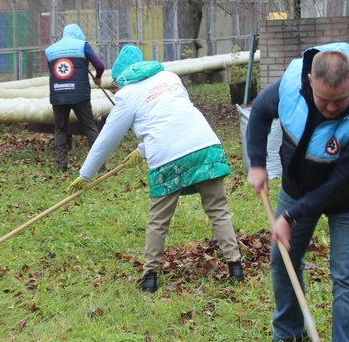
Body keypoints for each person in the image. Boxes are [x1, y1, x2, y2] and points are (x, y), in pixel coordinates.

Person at [246, 42, 349, 342]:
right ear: (310, 80)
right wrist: (257, 164)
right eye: (322, 99)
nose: (329, 108)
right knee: (283, 260)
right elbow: (260, 115)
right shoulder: (291, 84)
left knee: (346, 277)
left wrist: (291, 216)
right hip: (298, 183)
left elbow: (341, 185)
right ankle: (290, 333)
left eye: (338, 101)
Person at [68, 45, 244, 291]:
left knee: (158, 220)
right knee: (218, 210)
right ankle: (236, 268)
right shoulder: (170, 77)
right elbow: (172, 117)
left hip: (168, 157)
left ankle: (150, 278)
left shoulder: (127, 95)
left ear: (121, 76)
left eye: (116, 82)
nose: (116, 87)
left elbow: (106, 139)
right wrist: (140, 151)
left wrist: (85, 174)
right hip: (205, 145)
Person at [45, 24, 105, 172]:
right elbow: (100, 65)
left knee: (60, 129)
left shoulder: (50, 50)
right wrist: (98, 77)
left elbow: (52, 71)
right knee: (90, 127)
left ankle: (61, 166)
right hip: (80, 94)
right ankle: (100, 165)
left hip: (58, 93)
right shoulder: (82, 45)